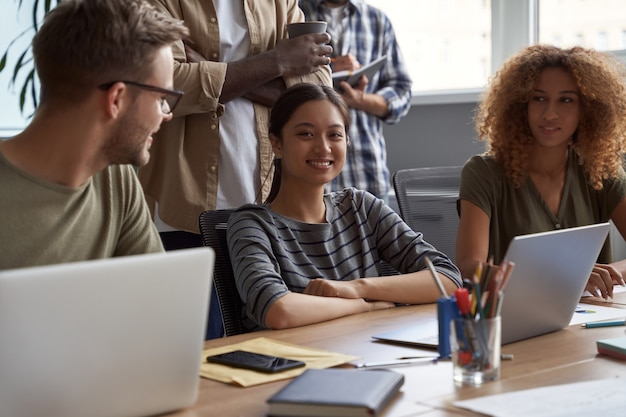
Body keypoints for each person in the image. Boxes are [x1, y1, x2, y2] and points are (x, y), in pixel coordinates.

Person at [137, 1, 332, 339]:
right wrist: (276, 62)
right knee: (197, 352)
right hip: (184, 212)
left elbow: (316, 95)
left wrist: (212, 70)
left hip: (271, 215)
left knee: (286, 347)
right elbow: (165, 87)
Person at [227, 83, 461, 331]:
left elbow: (448, 279)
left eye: (334, 135)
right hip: (289, 364)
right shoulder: (251, 224)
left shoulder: (360, 206)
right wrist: (364, 306)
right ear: (277, 143)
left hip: (364, 356)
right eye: (306, 134)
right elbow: (278, 311)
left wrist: (358, 287)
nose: (323, 147)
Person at [0, 0, 189, 270]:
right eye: (161, 98)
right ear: (117, 99)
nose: (166, 113)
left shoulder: (115, 179)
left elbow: (154, 300)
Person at [456, 44, 626, 299]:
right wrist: (568, 277)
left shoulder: (600, 169)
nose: (550, 113)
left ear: (588, 109)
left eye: (566, 100)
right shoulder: (483, 173)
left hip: (591, 320)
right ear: (521, 103)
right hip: (514, 320)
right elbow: (471, 269)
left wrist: (610, 273)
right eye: (539, 98)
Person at [299, 0, 412, 201]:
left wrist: (360, 99)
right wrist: (330, 72)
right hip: (313, 179)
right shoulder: (295, 13)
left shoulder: (377, 20)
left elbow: (402, 92)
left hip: (369, 175)